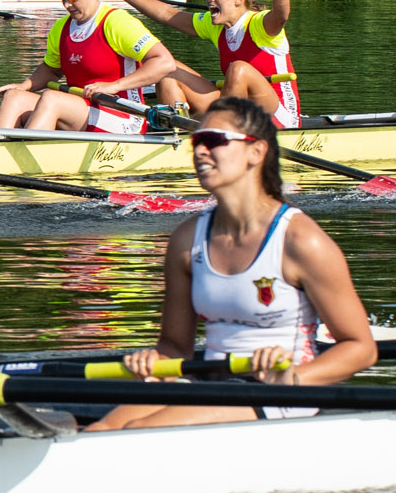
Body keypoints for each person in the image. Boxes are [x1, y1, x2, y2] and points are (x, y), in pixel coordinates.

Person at [91, 97, 378, 429]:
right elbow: (174, 347)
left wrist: (294, 378)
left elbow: (360, 348)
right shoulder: (186, 241)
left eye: (214, 141)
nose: (200, 151)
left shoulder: (301, 241)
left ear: (255, 152)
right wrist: (153, 362)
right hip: (213, 385)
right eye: (197, 141)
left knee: (138, 430)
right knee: (101, 430)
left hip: (281, 394)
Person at [0, 0, 181, 133]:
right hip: (82, 109)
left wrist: (114, 86)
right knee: (14, 98)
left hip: (125, 116)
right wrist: (23, 86)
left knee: (51, 99)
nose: (67, 5)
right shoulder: (61, 28)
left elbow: (164, 62)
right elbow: (52, 69)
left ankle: (23, 160)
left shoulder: (116, 22)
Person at [108, 0, 303, 126]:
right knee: (167, 69)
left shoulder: (259, 24)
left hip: (278, 116)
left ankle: (214, 130)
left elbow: (282, 15)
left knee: (239, 69)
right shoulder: (215, 26)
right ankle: (178, 132)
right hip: (239, 111)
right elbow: (166, 14)